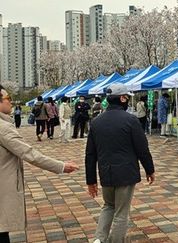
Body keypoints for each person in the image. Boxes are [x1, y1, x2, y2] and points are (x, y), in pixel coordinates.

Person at [0, 85, 78, 243]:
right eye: (8, 98)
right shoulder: (3, 129)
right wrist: (61, 166)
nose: (11, 102)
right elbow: (30, 154)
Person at [86, 83, 155, 243]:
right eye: (127, 97)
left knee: (108, 205)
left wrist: (91, 180)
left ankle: (99, 239)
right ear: (122, 98)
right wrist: (149, 169)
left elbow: (90, 154)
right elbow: (142, 149)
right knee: (121, 213)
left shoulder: (96, 122)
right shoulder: (131, 120)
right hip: (126, 173)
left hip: (106, 172)